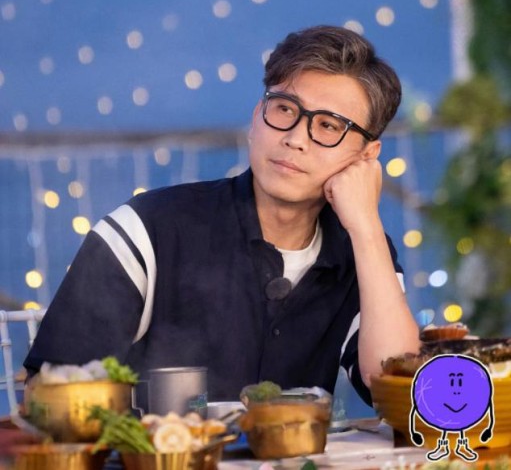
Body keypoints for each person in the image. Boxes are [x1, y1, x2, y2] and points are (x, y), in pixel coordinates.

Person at [24, 25, 420, 406]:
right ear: (256, 116)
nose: (295, 138)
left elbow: (397, 389)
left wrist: (367, 228)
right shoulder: (148, 228)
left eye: (328, 126)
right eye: (284, 109)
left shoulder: (362, 252)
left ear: (366, 156)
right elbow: (47, 392)